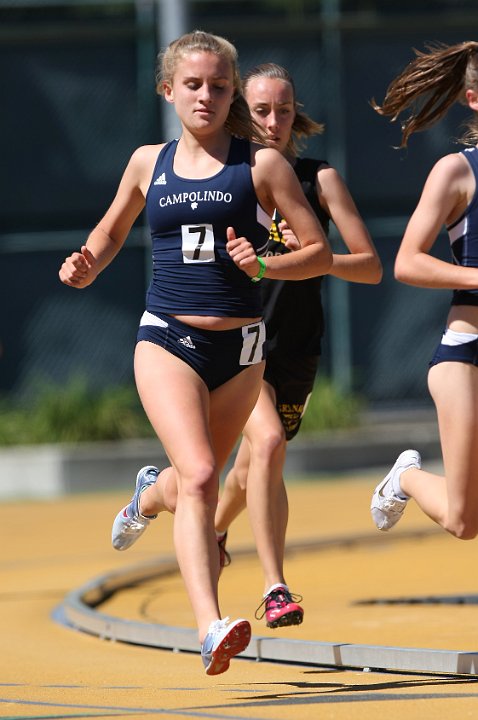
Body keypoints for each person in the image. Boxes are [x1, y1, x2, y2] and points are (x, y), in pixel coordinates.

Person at [59, 32, 332, 675]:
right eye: (192, 84)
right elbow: (110, 229)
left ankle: (148, 498)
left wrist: (265, 263)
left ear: (232, 91)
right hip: (168, 339)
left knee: (188, 483)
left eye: (217, 85)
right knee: (205, 476)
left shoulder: (262, 166)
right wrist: (87, 262)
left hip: (241, 350)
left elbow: (317, 252)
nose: (205, 96)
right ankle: (210, 627)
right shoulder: (145, 163)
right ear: (167, 90)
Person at [213, 63, 382, 629]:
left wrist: (301, 259)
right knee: (266, 444)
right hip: (239, 343)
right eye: (261, 110)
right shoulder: (225, 179)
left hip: (298, 347)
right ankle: (275, 586)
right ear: (243, 112)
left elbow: (371, 268)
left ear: (296, 114)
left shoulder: (320, 179)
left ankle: (210, 528)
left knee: (251, 467)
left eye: (283, 110)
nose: (273, 121)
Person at [370, 41, 478, 541]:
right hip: (466, 356)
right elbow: (407, 262)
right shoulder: (457, 171)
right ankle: (406, 477)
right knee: (464, 521)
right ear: (473, 98)